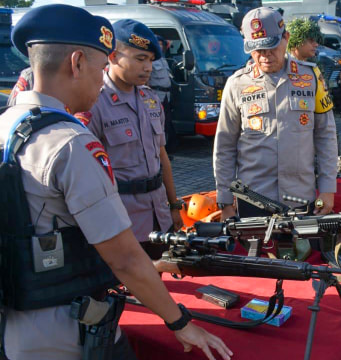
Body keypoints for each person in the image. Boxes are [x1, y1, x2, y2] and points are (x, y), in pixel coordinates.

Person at [0, 5, 232, 360]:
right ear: (76, 62)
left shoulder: (8, 124)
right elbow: (124, 258)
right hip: (62, 325)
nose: (101, 77)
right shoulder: (70, 143)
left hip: (14, 313)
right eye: (98, 68)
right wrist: (181, 323)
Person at [213, 7, 337, 221]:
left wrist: (327, 188)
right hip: (252, 199)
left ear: (286, 38)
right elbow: (224, 146)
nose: (265, 56)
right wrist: (224, 200)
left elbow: (326, 135)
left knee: (303, 254)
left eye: (271, 47)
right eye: (257, 50)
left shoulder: (311, 77)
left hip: (300, 198)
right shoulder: (236, 84)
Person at [85, 19, 183, 260]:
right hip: (123, 220)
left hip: (158, 213)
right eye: (140, 59)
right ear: (113, 56)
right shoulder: (94, 103)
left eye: (150, 60)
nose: (148, 67)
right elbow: (87, 174)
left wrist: (173, 206)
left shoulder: (150, 99)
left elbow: (162, 157)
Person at [148, 34, 177, 152]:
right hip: (156, 94)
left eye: (162, 44)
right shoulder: (151, 59)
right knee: (157, 124)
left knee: (166, 123)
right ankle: (160, 151)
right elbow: (147, 79)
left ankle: (166, 149)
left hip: (166, 95)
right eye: (158, 44)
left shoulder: (163, 59)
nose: (160, 47)